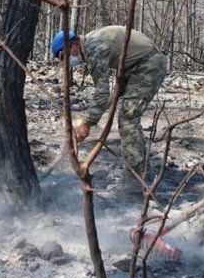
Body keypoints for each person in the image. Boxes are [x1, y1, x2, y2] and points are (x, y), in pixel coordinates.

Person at [50, 26, 167, 201]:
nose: (68, 61)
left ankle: (135, 184)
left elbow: (101, 91)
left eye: (65, 56)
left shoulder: (93, 48)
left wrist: (87, 122)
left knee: (128, 119)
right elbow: (107, 96)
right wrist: (94, 115)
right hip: (135, 66)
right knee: (127, 116)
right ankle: (142, 171)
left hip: (148, 64)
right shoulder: (90, 43)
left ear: (72, 44)